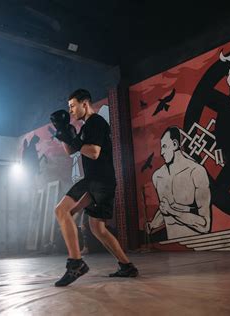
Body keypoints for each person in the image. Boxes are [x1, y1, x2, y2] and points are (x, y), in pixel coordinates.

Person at [50, 88, 138, 287]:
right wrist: (63, 133)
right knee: (98, 228)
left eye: (72, 106)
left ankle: (76, 264)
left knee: (61, 211)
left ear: (84, 103)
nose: (70, 111)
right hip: (102, 181)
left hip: (97, 181)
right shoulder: (85, 127)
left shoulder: (95, 122)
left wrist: (73, 139)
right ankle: (127, 266)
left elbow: (94, 152)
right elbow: (72, 151)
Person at [147, 126, 212, 239]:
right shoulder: (158, 176)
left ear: (175, 145)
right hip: (172, 245)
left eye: (164, 146)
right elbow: (165, 209)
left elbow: (205, 225)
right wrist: (152, 224)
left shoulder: (196, 172)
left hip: (198, 245)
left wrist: (171, 211)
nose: (161, 152)